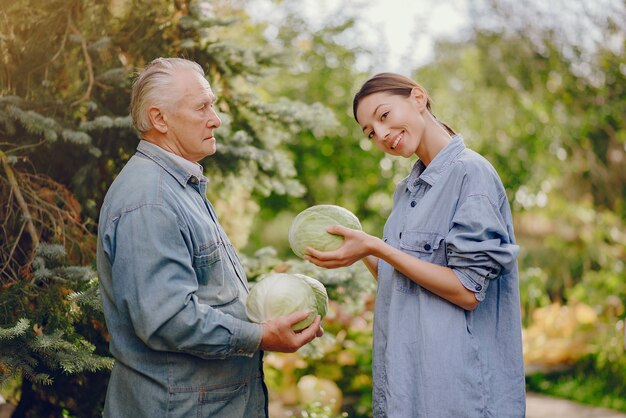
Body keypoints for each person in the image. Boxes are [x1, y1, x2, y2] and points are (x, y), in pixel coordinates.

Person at [96, 57, 322, 418]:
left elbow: (205, 294)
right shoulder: (150, 199)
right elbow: (166, 319)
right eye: (202, 107)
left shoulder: (178, 187)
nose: (215, 118)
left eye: (212, 105)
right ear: (159, 119)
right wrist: (260, 336)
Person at [305, 73, 526, 417]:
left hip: (456, 394)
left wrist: (377, 247)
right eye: (370, 132)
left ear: (418, 99)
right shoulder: (407, 190)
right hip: (408, 390)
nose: (380, 134)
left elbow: (466, 291)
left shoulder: (471, 174)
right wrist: (363, 251)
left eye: (383, 116)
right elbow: (405, 284)